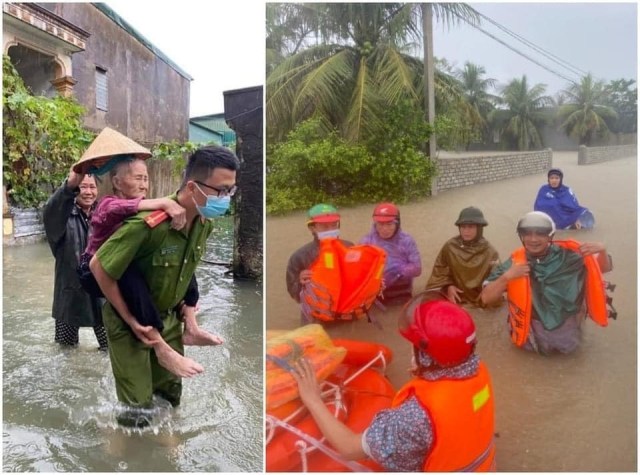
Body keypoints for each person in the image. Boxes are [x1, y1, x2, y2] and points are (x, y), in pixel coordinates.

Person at [89, 145, 239, 425]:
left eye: (230, 191)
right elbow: (99, 266)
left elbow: (186, 273)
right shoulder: (149, 224)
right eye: (220, 190)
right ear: (193, 187)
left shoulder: (203, 223)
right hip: (130, 320)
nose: (225, 198)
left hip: (169, 318)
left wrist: (190, 323)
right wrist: (134, 323)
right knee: (137, 411)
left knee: (170, 397)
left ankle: (167, 449)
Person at [292, 298, 496, 471]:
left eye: (414, 346)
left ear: (426, 357)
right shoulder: (479, 370)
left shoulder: (413, 418)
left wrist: (313, 400)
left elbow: (348, 448)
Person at [78, 151, 208, 378]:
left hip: (126, 260)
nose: (144, 184)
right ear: (117, 182)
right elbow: (117, 210)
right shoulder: (107, 204)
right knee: (131, 276)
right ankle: (160, 345)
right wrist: (165, 202)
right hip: (95, 269)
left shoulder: (147, 208)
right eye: (137, 178)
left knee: (182, 260)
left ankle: (191, 324)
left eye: (146, 178)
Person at [480, 211, 613, 355]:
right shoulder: (514, 263)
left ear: (550, 235)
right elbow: (486, 298)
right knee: (529, 362)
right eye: (527, 234)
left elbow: (604, 268)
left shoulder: (570, 256)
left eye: (540, 234)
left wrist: (603, 250)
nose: (533, 239)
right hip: (530, 328)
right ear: (521, 236)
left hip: (566, 328)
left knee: (569, 362)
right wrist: (506, 277)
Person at [42, 168, 108, 351]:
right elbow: (51, 209)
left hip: (102, 293)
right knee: (65, 351)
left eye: (92, 187)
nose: (88, 192)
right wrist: (69, 185)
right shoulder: (61, 218)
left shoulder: (104, 214)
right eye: (83, 187)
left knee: (111, 347)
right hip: (70, 294)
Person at [285, 203, 353, 321]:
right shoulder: (299, 257)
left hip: (347, 314)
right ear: (312, 228)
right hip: (316, 317)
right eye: (324, 227)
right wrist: (300, 282)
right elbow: (294, 293)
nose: (331, 230)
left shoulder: (350, 247)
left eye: (334, 225)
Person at [425, 206, 500, 306]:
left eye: (471, 227)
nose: (466, 231)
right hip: (456, 296)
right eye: (463, 227)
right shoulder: (450, 246)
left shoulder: (490, 252)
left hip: (480, 300)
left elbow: (497, 280)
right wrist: (448, 287)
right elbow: (440, 272)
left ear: (479, 228)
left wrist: (487, 294)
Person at [359, 202, 421, 305]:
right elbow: (359, 268)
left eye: (389, 224)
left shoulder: (407, 240)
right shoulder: (367, 241)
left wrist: (398, 270)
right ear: (375, 224)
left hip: (402, 292)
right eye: (380, 224)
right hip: (376, 292)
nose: (385, 229)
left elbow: (417, 268)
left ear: (397, 224)